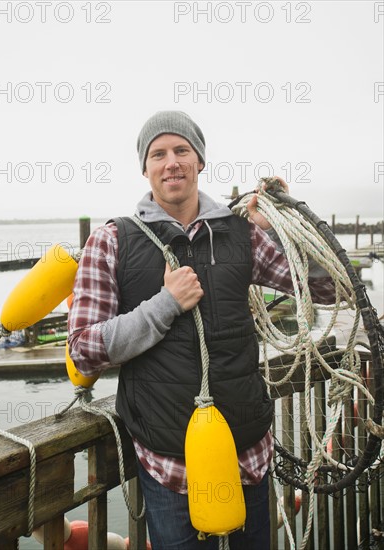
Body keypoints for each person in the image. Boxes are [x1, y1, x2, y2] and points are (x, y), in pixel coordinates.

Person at [68, 111, 336, 550]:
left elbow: (325, 287)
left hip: (247, 455)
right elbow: (83, 350)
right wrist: (163, 306)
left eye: (181, 151)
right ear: (145, 168)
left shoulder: (242, 234)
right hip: (169, 465)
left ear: (200, 161)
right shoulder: (112, 240)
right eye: (158, 154)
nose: (170, 162)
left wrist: (286, 226)